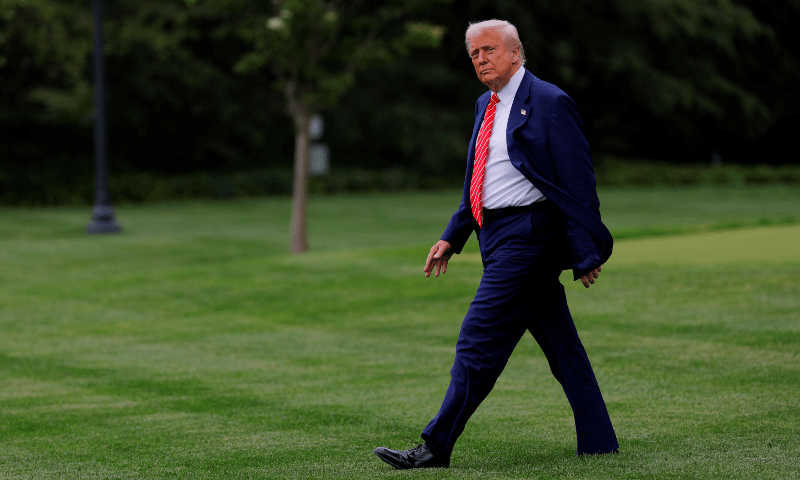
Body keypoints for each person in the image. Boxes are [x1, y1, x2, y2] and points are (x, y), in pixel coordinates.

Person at [373, 19, 619, 470]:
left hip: (531, 238)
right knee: (564, 349)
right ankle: (600, 442)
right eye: (474, 53)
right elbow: (479, 178)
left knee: (477, 340)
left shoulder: (550, 101)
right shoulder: (484, 105)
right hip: (496, 237)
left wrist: (586, 252)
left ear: (515, 53)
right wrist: (453, 235)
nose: (480, 59)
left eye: (489, 49)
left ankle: (436, 446)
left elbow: (579, 181)